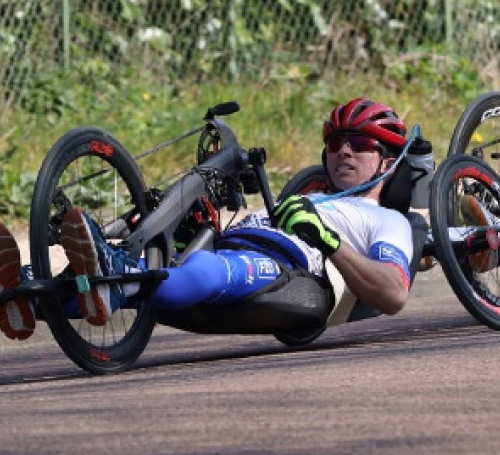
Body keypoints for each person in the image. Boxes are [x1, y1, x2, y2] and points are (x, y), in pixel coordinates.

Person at [0, 97, 456, 339]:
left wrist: (329, 242)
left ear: (389, 160)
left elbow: (394, 295)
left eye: (360, 143)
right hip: (233, 245)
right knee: (158, 260)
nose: (343, 151)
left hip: (293, 269)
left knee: (197, 271)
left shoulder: (386, 220)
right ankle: (29, 295)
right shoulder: (308, 196)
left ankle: (114, 276)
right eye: (336, 143)